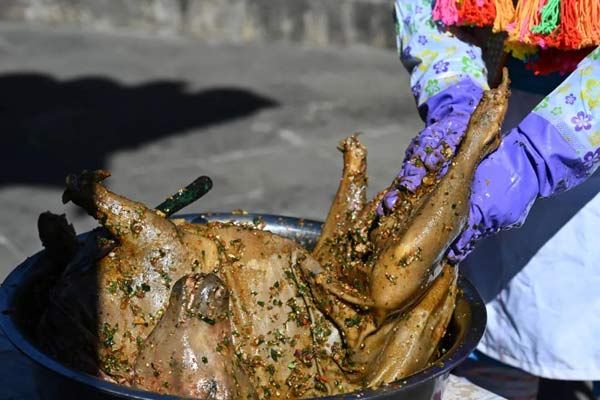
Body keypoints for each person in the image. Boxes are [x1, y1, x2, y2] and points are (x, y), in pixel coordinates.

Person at [380, 1, 600, 399]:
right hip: (497, 111)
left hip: (584, 128)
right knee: (492, 329)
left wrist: (533, 156)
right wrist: (453, 97)